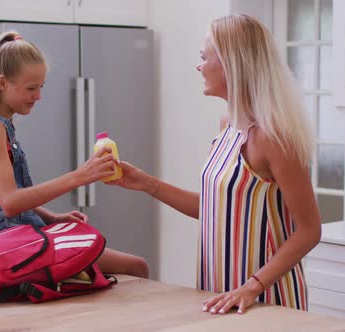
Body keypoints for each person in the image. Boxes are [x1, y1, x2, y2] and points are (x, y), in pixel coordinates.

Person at [107, 14, 321, 313]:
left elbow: (309, 230)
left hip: (266, 299)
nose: (198, 66)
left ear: (232, 65)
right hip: (219, 291)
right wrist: (147, 184)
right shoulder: (227, 125)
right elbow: (217, 209)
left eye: (203, 57)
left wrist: (252, 287)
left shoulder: (274, 137)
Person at [0, 31, 149, 279]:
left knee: (118, 268)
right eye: (31, 88)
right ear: (3, 83)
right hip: (14, 242)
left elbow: (7, 196)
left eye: (40, 87)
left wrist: (52, 217)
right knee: (137, 267)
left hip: (24, 233)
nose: (38, 96)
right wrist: (80, 176)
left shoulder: (0, 125)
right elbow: (10, 202)